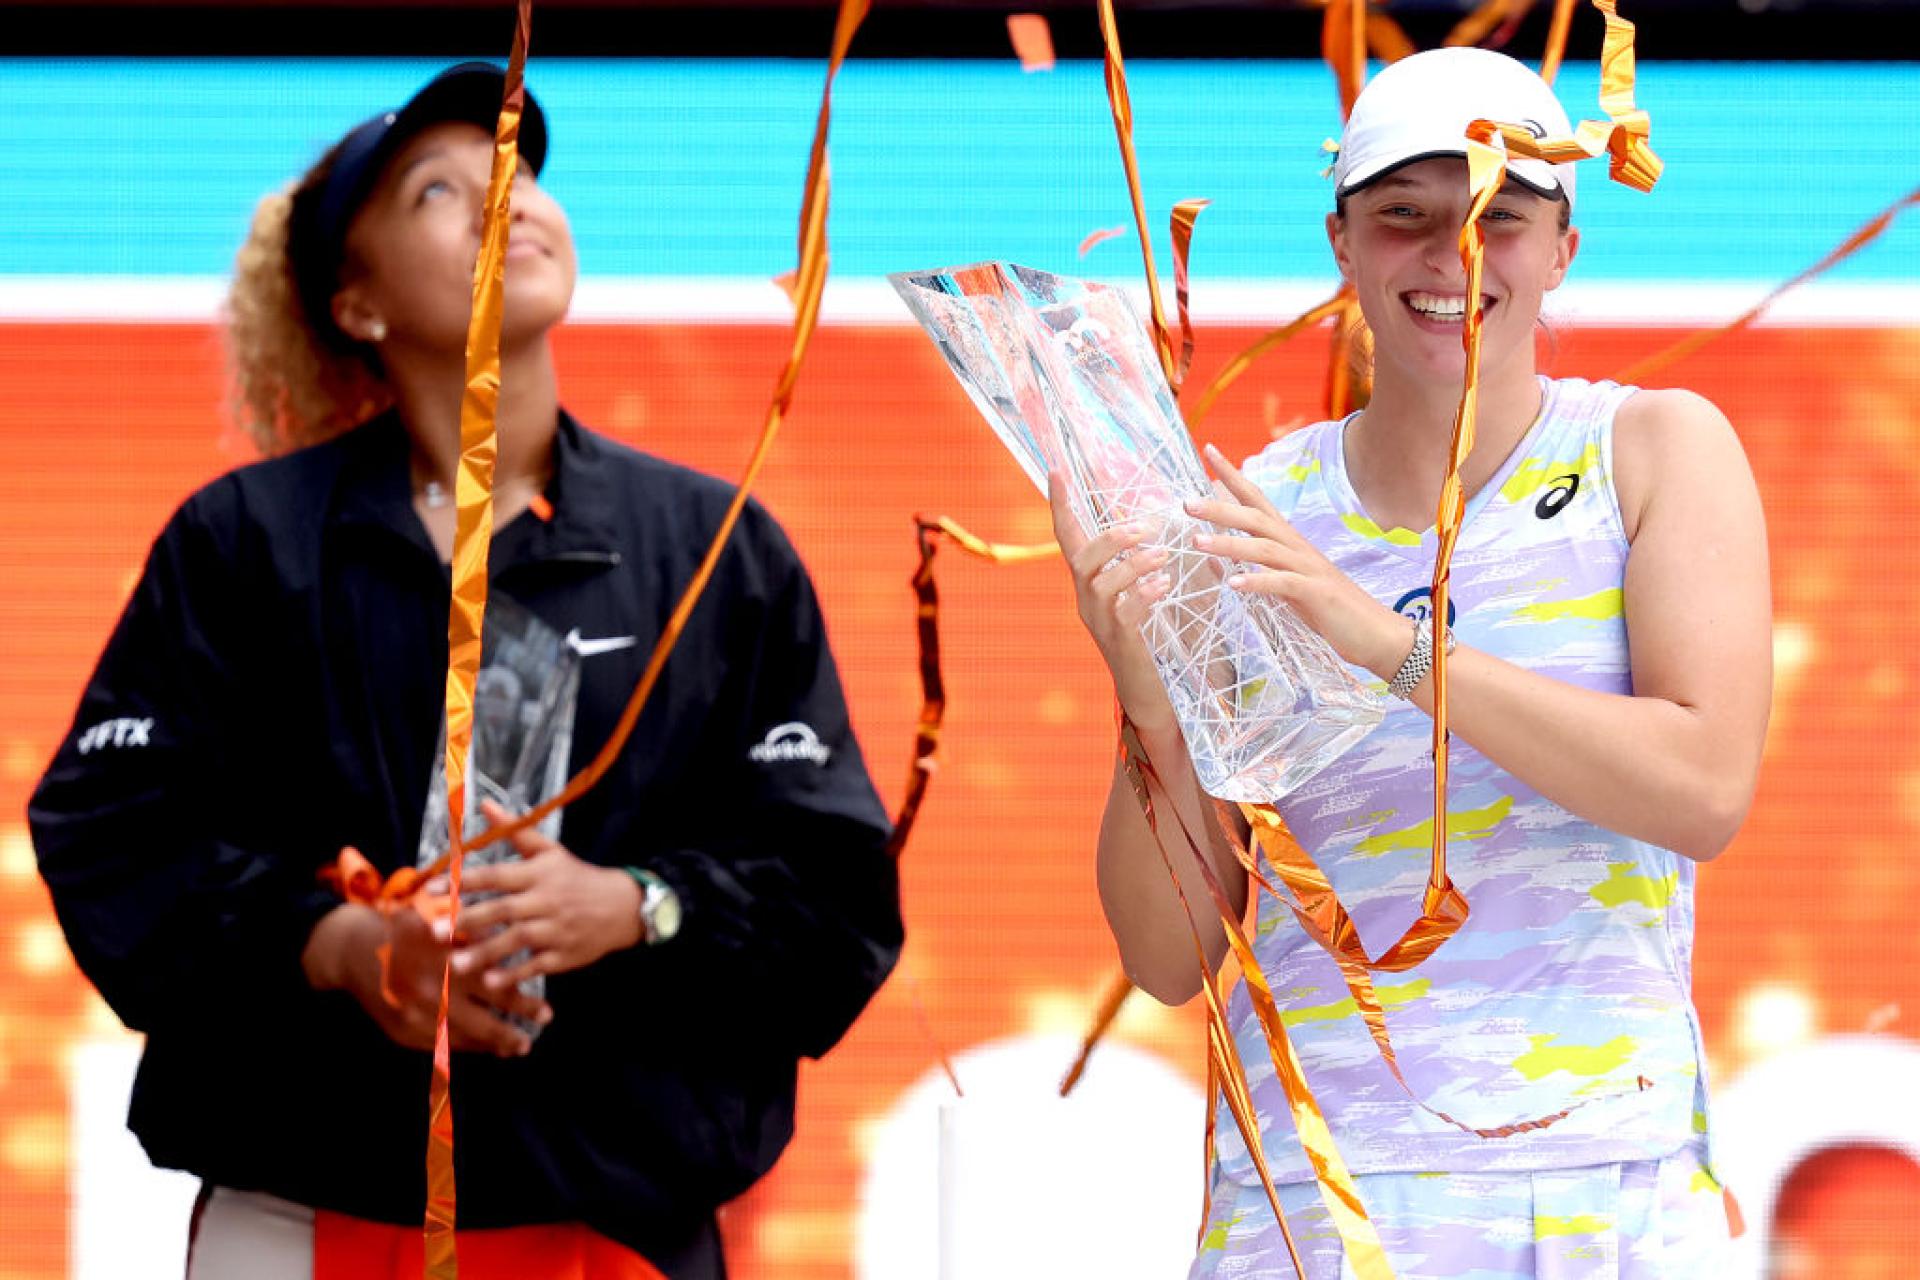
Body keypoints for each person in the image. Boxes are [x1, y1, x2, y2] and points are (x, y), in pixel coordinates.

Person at [30, 63, 903, 1280]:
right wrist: (343, 942)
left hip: (619, 1223)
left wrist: (635, 904)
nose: (507, 200)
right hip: (303, 1211)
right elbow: (113, 835)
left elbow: (836, 896)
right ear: (356, 301)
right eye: (440, 189)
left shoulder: (716, 549)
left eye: (523, 173)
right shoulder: (242, 544)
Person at [1049, 47, 1770, 1278]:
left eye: (1501, 219)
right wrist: (1148, 704)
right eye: (1407, 218)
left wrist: (1388, 645)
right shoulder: (1255, 509)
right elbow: (1165, 959)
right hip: (1316, 1201)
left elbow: (1704, 787)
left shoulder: (1651, 448)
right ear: (1343, 245)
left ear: (1563, 248)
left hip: (1600, 1185)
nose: (1454, 258)